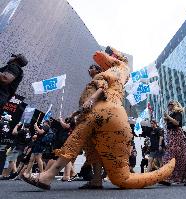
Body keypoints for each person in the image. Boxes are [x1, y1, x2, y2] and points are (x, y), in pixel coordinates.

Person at [22, 48, 175, 190]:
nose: (92, 68)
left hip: (104, 112)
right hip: (106, 114)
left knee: (76, 139)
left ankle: (48, 176)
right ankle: (96, 179)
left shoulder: (115, 71)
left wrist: (91, 100)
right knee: (94, 148)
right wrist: (75, 114)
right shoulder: (117, 74)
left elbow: (102, 89)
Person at [160, 100, 186, 186]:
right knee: (169, 156)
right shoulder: (171, 114)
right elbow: (169, 126)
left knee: (182, 157)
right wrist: (166, 119)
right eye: (168, 105)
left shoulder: (178, 113)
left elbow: (177, 123)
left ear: (174, 105)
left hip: (177, 136)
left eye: (170, 105)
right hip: (171, 137)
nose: (169, 106)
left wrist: (168, 117)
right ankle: (167, 178)